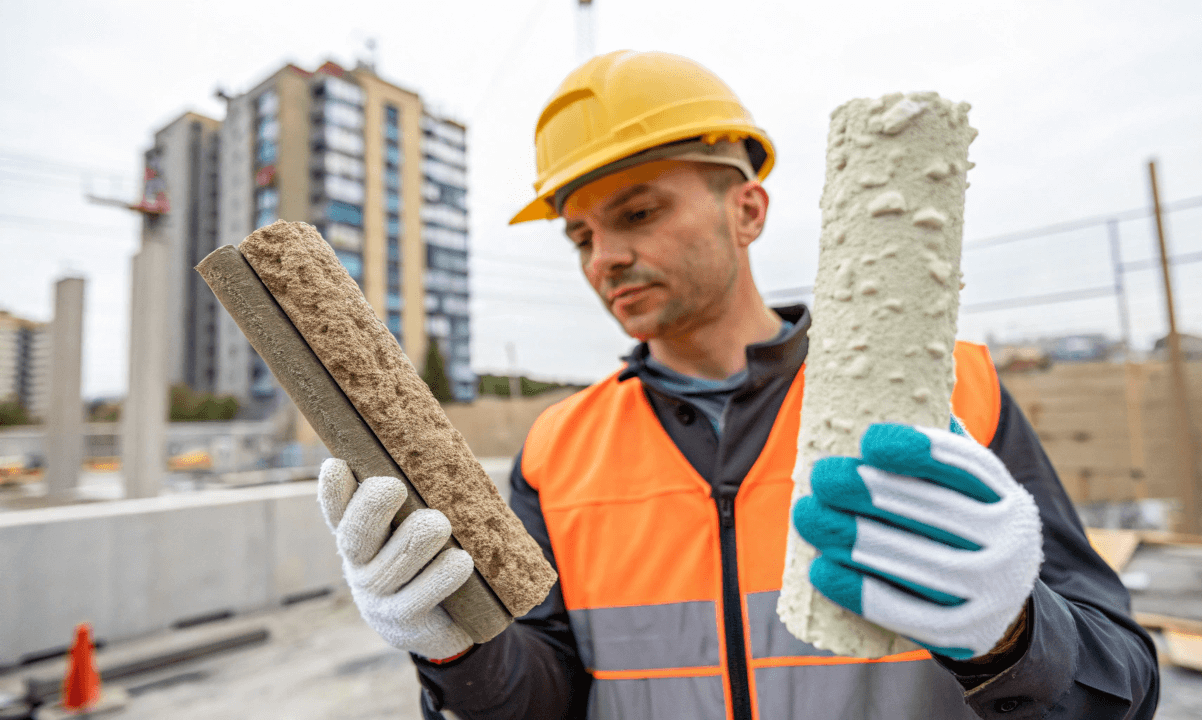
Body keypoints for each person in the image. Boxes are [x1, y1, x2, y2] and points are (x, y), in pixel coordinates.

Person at [316, 51, 1159, 719]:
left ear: (748, 210)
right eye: (579, 236)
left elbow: (1123, 685)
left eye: (638, 214)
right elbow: (545, 699)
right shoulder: (556, 448)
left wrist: (1011, 633)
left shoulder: (955, 393)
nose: (603, 256)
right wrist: (454, 648)